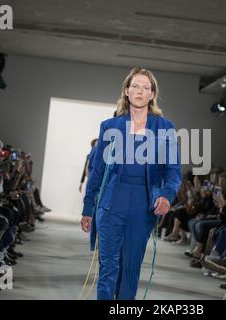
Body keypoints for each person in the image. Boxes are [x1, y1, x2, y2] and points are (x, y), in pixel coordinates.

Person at [80, 67, 181, 300]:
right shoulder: (110, 126)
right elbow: (97, 171)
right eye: (135, 86)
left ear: (152, 95)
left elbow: (173, 170)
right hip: (111, 202)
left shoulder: (164, 127)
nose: (139, 91)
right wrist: (88, 207)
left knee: (131, 268)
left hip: (143, 204)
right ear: (126, 91)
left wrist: (167, 194)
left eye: (146, 87)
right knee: (108, 266)